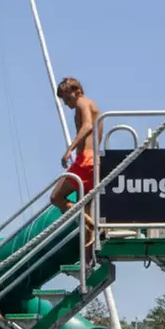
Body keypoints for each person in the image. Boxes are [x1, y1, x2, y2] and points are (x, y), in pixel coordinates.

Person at [52, 76, 102, 246]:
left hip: (85, 160)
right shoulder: (91, 104)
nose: (66, 104)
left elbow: (87, 125)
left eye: (67, 99)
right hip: (93, 160)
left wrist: (69, 149)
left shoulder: (83, 102)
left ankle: (94, 226)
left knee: (56, 198)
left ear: (76, 91)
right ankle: (90, 238)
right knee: (84, 206)